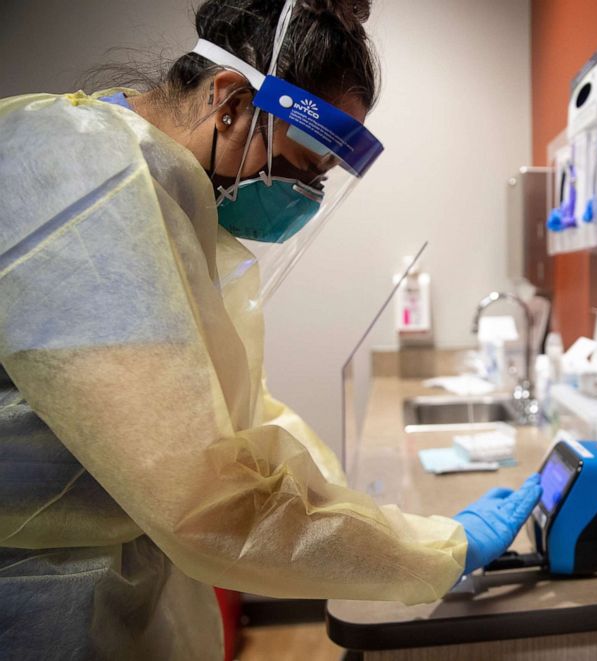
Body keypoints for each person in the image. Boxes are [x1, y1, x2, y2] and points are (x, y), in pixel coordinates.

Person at [0, 1, 541, 658]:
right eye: (308, 160)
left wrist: (384, 523)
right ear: (229, 103)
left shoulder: (155, 189)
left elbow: (238, 419)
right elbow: (211, 498)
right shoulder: (87, 182)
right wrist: (430, 550)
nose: (308, 191)